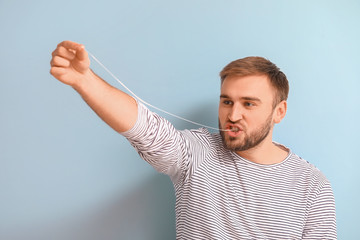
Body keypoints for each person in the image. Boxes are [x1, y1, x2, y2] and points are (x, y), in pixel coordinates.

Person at [50, 40, 337, 239]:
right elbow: (144, 128)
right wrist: (84, 80)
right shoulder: (194, 153)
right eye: (227, 102)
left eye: (249, 104)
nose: (233, 115)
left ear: (279, 112)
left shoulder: (313, 186)